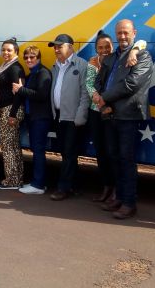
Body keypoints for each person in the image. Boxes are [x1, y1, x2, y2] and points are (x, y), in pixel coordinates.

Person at [94, 19, 153, 220]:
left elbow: (132, 83)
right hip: (110, 113)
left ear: (134, 33)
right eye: (119, 33)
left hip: (128, 115)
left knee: (126, 160)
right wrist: (104, 102)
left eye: (126, 32)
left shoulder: (143, 55)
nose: (122, 36)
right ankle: (118, 197)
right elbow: (98, 80)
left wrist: (105, 97)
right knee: (113, 157)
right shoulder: (111, 57)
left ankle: (129, 203)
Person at [85, 32, 145, 202]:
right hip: (96, 111)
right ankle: (107, 186)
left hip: (112, 112)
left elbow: (140, 41)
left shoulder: (116, 59)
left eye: (107, 47)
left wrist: (135, 50)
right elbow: (89, 85)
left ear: (112, 46)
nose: (104, 50)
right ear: (96, 49)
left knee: (114, 153)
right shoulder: (92, 63)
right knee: (101, 153)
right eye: (100, 47)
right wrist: (98, 100)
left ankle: (117, 191)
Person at [47, 34, 90, 201]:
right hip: (59, 116)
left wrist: (80, 117)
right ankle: (74, 185)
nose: (56, 49)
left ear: (71, 47)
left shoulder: (81, 65)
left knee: (70, 153)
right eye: (55, 47)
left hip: (73, 118)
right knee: (65, 153)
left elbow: (85, 94)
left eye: (60, 46)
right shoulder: (55, 66)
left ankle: (63, 188)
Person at [13, 45, 52, 195]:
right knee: (36, 149)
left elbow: (41, 95)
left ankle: (38, 185)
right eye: (26, 57)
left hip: (41, 118)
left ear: (38, 58)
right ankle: (38, 182)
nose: (28, 60)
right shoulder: (32, 74)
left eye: (32, 57)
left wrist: (20, 89)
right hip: (33, 117)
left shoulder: (43, 73)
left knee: (38, 150)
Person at [0, 37, 26, 189]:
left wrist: (12, 114)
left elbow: (19, 93)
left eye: (9, 50)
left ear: (16, 52)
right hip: (8, 110)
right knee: (12, 146)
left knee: (7, 146)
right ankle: (16, 179)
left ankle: (12, 180)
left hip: (10, 110)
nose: (5, 52)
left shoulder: (15, 68)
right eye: (3, 49)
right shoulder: (6, 66)